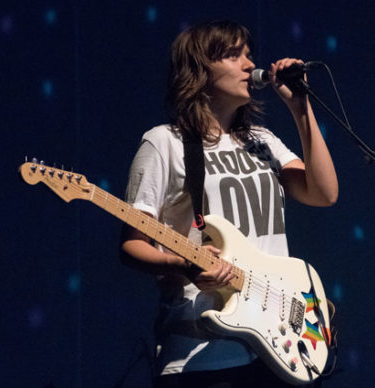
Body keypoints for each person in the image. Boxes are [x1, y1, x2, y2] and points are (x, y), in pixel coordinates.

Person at [120, 20, 338, 388]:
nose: (248, 65)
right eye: (233, 55)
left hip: (277, 346)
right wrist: (183, 265)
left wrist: (300, 109)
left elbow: (323, 193)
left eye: (248, 55)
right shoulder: (164, 143)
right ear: (200, 70)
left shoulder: (263, 141)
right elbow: (131, 243)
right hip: (201, 356)